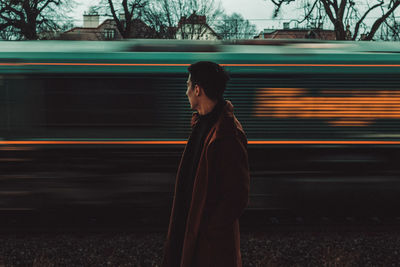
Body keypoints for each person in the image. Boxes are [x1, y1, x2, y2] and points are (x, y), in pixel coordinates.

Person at [161, 61, 250, 267]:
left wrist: (209, 230)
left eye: (188, 86)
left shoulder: (228, 134)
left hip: (209, 244)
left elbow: (238, 195)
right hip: (192, 228)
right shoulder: (203, 124)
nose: (186, 92)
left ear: (198, 89)